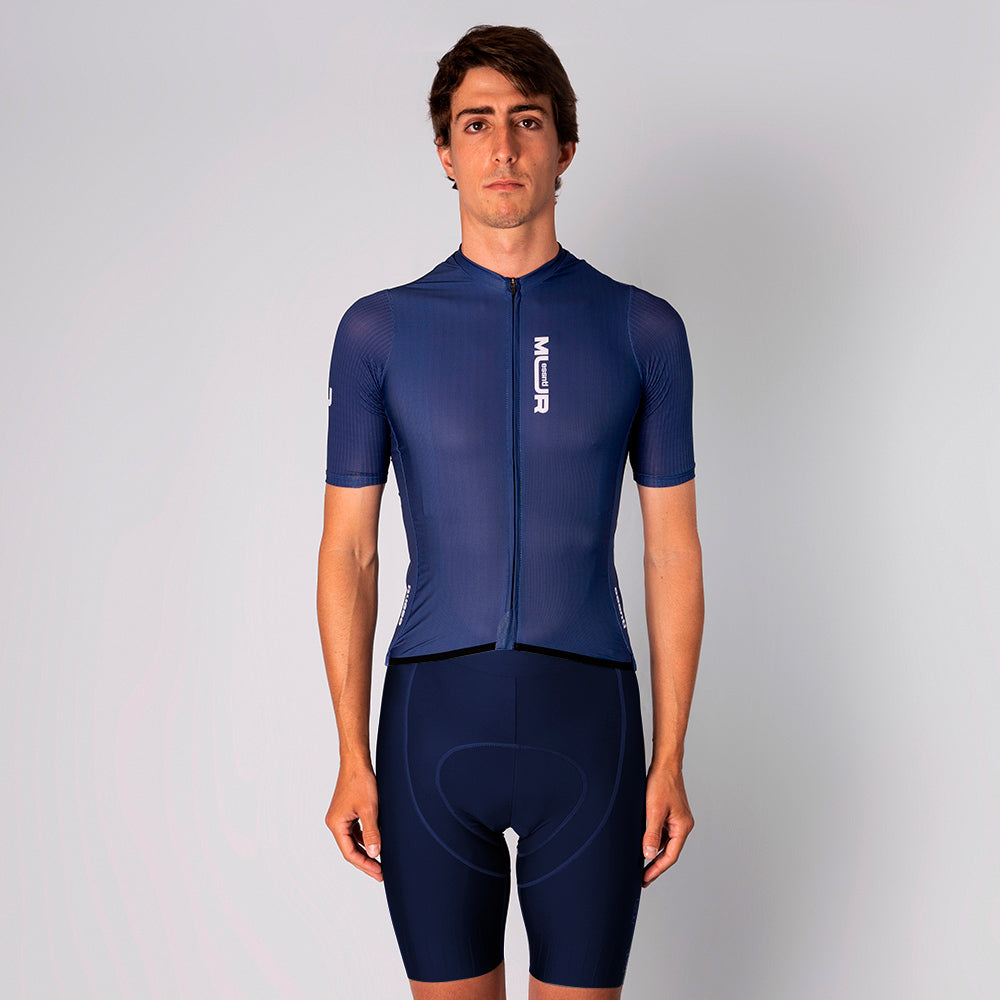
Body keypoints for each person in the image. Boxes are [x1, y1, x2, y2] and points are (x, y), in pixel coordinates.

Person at [317, 24, 704, 1000]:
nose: (502, 147)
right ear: (445, 152)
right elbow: (349, 552)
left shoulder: (641, 329)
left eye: (527, 122)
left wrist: (671, 756)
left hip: (592, 734)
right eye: (476, 123)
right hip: (428, 734)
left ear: (564, 147)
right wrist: (350, 754)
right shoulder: (379, 332)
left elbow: (670, 552)